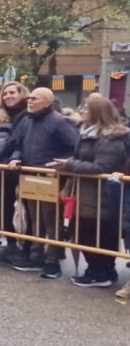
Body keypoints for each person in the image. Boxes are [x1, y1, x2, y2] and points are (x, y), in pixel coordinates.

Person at [53, 94, 128, 288]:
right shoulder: (87, 132)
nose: (82, 111)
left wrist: (70, 164)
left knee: (97, 234)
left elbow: (102, 167)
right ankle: (99, 270)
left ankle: (99, 271)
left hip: (102, 195)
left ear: (97, 112)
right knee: (87, 232)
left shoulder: (111, 137)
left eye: (86, 108)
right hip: (87, 194)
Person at [6, 88, 79, 275]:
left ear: (47, 102)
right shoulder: (27, 120)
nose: (29, 101)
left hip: (49, 178)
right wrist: (16, 157)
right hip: (30, 175)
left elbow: (75, 147)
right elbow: (19, 145)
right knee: (36, 219)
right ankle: (36, 256)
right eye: (29, 98)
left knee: (51, 221)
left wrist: (61, 163)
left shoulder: (59, 121)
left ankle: (52, 261)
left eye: (34, 98)